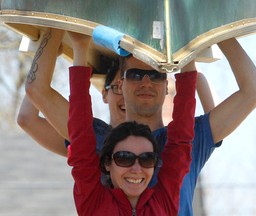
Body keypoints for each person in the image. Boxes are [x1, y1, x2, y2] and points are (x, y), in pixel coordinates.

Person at [23, 28, 256, 216]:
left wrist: (210, 30)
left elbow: (254, 91)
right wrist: (59, 25)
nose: (146, 82)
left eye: (156, 75)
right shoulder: (99, 140)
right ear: (121, 84)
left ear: (167, 83)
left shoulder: (193, 138)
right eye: (136, 75)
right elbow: (40, 97)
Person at [67, 31, 197, 215]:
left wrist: (188, 52)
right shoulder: (94, 202)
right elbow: (81, 138)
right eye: (124, 158)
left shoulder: (163, 202)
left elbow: (180, 142)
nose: (136, 169)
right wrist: (80, 47)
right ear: (107, 163)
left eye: (147, 159)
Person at [17, 29, 125, 157]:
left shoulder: (153, 139)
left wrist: (58, 21)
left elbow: (34, 97)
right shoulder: (93, 135)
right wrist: (51, 50)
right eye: (118, 88)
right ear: (104, 94)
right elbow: (27, 119)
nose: (125, 96)